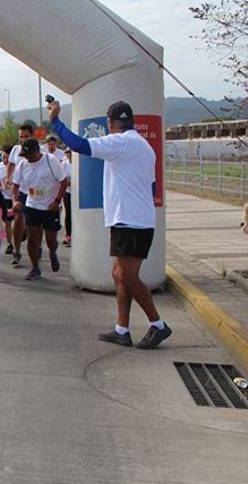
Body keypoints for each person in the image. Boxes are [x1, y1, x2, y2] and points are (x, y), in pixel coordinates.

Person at [49, 99, 173, 349]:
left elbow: (79, 145)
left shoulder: (120, 142)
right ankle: (122, 329)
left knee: (127, 276)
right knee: (119, 275)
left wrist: (55, 121)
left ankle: (158, 325)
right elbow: (150, 185)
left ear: (109, 123)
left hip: (130, 220)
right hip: (133, 218)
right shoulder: (144, 147)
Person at [11, 138, 69, 280]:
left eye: (29, 155)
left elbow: (64, 181)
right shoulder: (23, 165)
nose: (27, 158)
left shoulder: (51, 161)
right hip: (32, 205)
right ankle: (35, 267)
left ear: (37, 152)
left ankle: (52, 252)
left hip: (50, 206)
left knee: (51, 239)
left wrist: (57, 200)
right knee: (33, 238)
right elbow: (15, 185)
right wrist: (15, 201)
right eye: (24, 156)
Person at [5, 125, 34, 265]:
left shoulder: (42, 150)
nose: (23, 139)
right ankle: (16, 251)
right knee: (18, 219)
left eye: (26, 136)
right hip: (21, 191)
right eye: (21, 137)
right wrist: (7, 177)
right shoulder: (16, 150)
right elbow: (10, 164)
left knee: (34, 224)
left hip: (37, 193)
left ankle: (37, 245)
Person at [0, 148, 16, 255]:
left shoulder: (17, 166)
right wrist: (0, 186)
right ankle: (10, 243)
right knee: (7, 221)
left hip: (16, 197)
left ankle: (20, 235)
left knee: (18, 220)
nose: (5, 159)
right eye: (3, 157)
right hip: (5, 198)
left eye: (7, 157)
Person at [61, 148, 73, 246]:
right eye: (68, 154)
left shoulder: (78, 164)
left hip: (77, 193)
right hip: (68, 192)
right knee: (68, 213)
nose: (69, 156)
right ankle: (68, 235)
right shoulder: (65, 164)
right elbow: (63, 178)